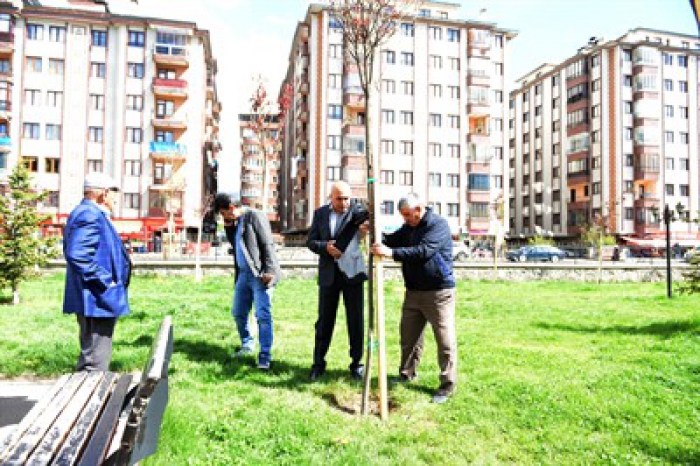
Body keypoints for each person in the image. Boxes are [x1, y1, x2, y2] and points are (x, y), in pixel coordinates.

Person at [370, 192, 457, 404]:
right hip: (413, 291)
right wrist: (375, 234)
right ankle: (407, 373)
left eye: (408, 215)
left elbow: (423, 251)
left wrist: (391, 253)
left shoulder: (438, 225)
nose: (405, 219)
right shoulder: (409, 227)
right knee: (409, 337)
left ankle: (447, 384)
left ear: (419, 209)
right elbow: (392, 240)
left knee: (444, 340)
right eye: (403, 215)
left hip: (438, 292)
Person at [63, 172, 132, 372]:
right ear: (104, 193)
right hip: (96, 298)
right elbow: (77, 254)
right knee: (94, 362)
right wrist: (105, 280)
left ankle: (87, 398)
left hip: (95, 297)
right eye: (114, 194)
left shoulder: (87, 212)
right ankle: (90, 402)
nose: (116, 199)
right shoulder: (89, 214)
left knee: (93, 357)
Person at [306, 181, 369, 381]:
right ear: (330, 198)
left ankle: (357, 364)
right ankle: (318, 364)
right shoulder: (320, 214)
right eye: (339, 199)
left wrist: (367, 228)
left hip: (352, 275)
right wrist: (325, 247)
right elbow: (311, 242)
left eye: (346, 198)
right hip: (329, 276)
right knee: (324, 322)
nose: (343, 203)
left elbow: (370, 221)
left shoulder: (358, 213)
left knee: (356, 321)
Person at [215, 193, 281, 371]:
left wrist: (270, 270)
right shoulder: (237, 222)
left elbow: (267, 244)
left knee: (263, 315)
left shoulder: (254, 216)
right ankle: (247, 344)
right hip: (243, 276)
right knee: (238, 312)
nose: (224, 218)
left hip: (260, 274)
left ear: (231, 207)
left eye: (224, 213)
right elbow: (236, 246)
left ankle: (265, 355)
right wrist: (229, 226)